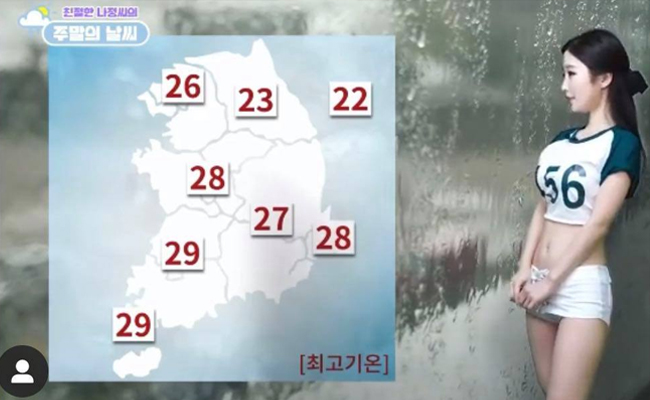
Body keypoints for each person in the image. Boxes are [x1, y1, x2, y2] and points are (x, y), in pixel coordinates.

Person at [509, 28, 648, 400]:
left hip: (579, 286)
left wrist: (552, 282)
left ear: (604, 78)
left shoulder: (622, 144)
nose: (563, 85)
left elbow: (599, 223)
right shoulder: (560, 142)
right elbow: (544, 208)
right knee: (551, 392)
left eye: (571, 73)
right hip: (538, 281)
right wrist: (524, 269)